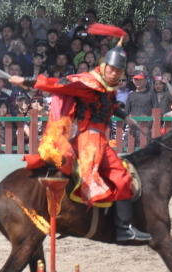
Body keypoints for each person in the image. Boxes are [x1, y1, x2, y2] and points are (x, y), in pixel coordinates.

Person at [11, 33, 150, 242]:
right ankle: (123, 228)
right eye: (111, 69)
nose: (114, 74)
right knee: (122, 177)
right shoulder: (87, 83)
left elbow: (109, 105)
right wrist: (26, 81)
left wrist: (126, 117)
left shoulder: (108, 87)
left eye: (118, 71)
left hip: (99, 138)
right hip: (89, 140)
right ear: (104, 67)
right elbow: (57, 84)